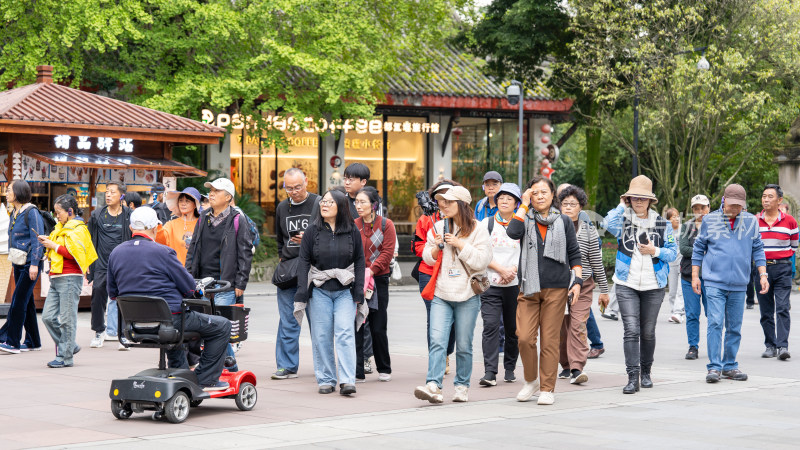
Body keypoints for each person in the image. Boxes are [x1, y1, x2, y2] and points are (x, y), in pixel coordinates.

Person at [107, 206, 232, 391]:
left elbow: (113, 293)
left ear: (132, 228)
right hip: (170, 321)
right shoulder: (164, 253)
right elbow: (190, 288)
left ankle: (181, 374)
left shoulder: (115, 253)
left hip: (133, 325)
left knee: (174, 327)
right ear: (155, 228)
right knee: (222, 325)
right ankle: (206, 379)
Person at [505, 176, 582, 405]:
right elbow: (512, 232)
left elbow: (574, 254)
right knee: (525, 337)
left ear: (552, 196)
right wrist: (523, 204)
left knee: (549, 340)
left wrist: (576, 281)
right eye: (535, 192)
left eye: (544, 192)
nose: (540, 196)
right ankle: (531, 380)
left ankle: (547, 388)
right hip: (528, 286)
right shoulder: (524, 218)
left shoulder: (564, 221)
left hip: (556, 289)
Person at [414, 186, 491, 404]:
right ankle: (433, 385)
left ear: (462, 204)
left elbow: (482, 261)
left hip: (467, 293)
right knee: (437, 341)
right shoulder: (437, 226)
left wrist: (459, 244)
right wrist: (437, 248)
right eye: (441, 201)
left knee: (464, 345)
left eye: (449, 202)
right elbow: (427, 257)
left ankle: (462, 386)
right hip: (441, 292)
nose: (443, 205)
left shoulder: (479, 229)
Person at [604, 175, 677, 394]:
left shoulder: (662, 224)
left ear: (650, 201)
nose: (638, 202)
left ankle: (646, 372)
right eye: (634, 198)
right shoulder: (623, 222)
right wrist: (620, 205)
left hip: (654, 285)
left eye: (643, 199)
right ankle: (632, 377)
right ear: (629, 199)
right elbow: (606, 223)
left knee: (647, 332)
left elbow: (673, 253)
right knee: (631, 330)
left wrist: (654, 251)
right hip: (626, 283)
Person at [693, 184, 768, 383]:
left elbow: (758, 248)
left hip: (739, 284)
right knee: (716, 323)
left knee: (734, 327)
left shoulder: (751, 221)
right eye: (732, 205)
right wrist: (695, 276)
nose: (736, 209)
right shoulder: (710, 220)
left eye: (739, 206)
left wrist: (763, 275)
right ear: (724, 201)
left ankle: (730, 366)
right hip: (714, 282)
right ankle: (714, 367)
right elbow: (698, 249)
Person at [294, 189, 365, 396]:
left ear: (341, 206)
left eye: (330, 202)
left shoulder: (352, 230)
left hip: (345, 289)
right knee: (322, 335)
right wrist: (301, 291)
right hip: (319, 289)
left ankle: (347, 381)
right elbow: (303, 261)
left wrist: (359, 290)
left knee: (345, 333)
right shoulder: (312, 231)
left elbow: (360, 260)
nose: (324, 205)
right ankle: (326, 379)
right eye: (323, 202)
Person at [185, 178, 254, 371]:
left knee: (220, 330)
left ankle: (230, 369)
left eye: (217, 190)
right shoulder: (204, 217)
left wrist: (241, 282)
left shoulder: (238, 219)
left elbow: (245, 253)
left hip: (226, 284)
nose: (212, 194)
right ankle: (220, 369)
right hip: (201, 284)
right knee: (205, 328)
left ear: (228, 197)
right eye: (211, 190)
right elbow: (193, 249)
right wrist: (188, 277)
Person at [557, 185, 610, 385]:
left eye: (573, 204)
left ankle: (577, 367)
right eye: (565, 204)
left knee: (578, 325)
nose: (568, 207)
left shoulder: (589, 231)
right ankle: (565, 365)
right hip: (558, 286)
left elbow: (597, 261)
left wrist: (604, 290)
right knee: (561, 328)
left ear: (581, 208)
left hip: (584, 285)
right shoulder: (554, 228)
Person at [272, 168, 319, 380]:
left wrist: (308, 239)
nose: (293, 192)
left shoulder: (319, 203)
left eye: (297, 187)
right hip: (290, 269)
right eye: (288, 188)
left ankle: (323, 365)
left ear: (306, 182)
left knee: (318, 320)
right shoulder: (282, 207)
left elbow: (330, 233)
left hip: (315, 269)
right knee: (288, 320)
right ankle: (286, 366)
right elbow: (279, 239)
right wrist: (283, 258)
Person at [39, 195, 98, 367]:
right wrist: (49, 243)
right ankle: (70, 346)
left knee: (67, 319)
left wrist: (53, 246)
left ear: (70, 211)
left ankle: (65, 357)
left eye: (59, 212)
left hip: (70, 277)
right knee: (48, 317)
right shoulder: (61, 228)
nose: (57, 216)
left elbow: (75, 255)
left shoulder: (79, 229)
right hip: (57, 277)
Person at [413, 180, 459, 373]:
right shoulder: (426, 219)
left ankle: (447, 352)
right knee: (434, 317)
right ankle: (437, 357)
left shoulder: (462, 219)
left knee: (455, 318)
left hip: (454, 273)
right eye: (440, 197)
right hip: (429, 273)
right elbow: (417, 247)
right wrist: (434, 247)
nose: (444, 201)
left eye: (449, 196)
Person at [478, 183, 521, 386]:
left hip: (515, 285)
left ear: (517, 203)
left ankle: (510, 368)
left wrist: (511, 271)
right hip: (490, 285)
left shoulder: (523, 225)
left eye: (509, 198)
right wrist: (501, 270)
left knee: (513, 329)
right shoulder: (486, 224)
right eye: (501, 197)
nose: (504, 201)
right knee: (491, 326)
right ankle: (490, 372)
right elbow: (481, 253)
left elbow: (528, 254)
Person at [354, 186, 396, 382]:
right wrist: (361, 272)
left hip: (378, 279)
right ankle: (358, 370)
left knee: (378, 326)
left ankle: (384, 367)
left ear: (373, 205)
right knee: (358, 325)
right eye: (356, 202)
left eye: (363, 202)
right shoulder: (354, 225)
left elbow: (387, 253)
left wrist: (372, 270)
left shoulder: (387, 225)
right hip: (358, 280)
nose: (358, 206)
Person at [0, 180, 45, 354]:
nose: (6, 192)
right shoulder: (15, 212)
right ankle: (33, 341)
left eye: (9, 190)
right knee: (28, 303)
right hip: (18, 262)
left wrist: (34, 264)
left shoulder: (31, 212)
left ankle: (12, 342)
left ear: (18, 192)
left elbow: (37, 240)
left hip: (29, 264)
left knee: (18, 302)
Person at [86, 182, 131, 349]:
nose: (108, 195)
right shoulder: (97, 215)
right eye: (107, 192)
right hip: (102, 264)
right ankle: (99, 332)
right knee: (98, 294)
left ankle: (123, 335)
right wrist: (88, 263)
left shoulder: (129, 215)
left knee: (123, 298)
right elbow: (89, 240)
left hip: (123, 265)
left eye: (112, 192)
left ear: (121, 196)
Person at [755, 184, 796, 361]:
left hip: (782, 268)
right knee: (765, 310)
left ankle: (783, 346)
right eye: (764, 196)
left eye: (770, 196)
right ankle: (770, 345)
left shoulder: (790, 221)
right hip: (761, 269)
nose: (766, 199)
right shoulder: (755, 221)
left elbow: (794, 246)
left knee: (782, 307)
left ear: (779, 200)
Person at [680, 195, 710, 360]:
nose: (700, 212)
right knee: (692, 313)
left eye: (703, 208)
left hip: (711, 277)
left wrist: (699, 252)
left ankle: (714, 345)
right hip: (688, 277)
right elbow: (683, 248)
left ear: (709, 208)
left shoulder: (716, 226)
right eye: (696, 208)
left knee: (712, 313)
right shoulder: (687, 226)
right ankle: (693, 346)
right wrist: (703, 252)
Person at [156, 187, 202, 265]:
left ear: (195, 205)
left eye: (187, 201)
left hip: (197, 271)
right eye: (181, 201)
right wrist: (157, 226)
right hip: (176, 270)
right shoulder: (171, 224)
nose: (183, 204)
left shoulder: (201, 224)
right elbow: (161, 240)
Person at [664, 208, 685, 324]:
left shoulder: (684, 229)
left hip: (682, 263)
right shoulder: (666, 231)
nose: (677, 218)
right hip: (671, 264)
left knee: (680, 290)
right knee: (672, 291)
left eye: (677, 216)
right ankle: (674, 313)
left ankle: (679, 312)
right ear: (668, 220)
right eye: (673, 217)